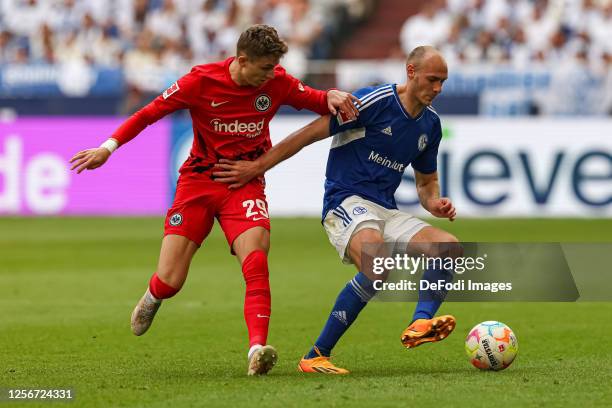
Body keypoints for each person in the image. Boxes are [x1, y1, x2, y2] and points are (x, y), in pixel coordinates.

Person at [69, 24, 359, 376]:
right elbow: (148, 114)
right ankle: (154, 295)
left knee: (256, 259)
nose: (272, 75)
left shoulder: (276, 82)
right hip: (198, 182)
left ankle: (257, 349)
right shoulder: (200, 82)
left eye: (274, 68)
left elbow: (315, 99)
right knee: (171, 279)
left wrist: (332, 95)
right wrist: (107, 147)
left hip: (244, 184)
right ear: (242, 60)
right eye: (265, 68)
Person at [213, 46, 460, 374]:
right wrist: (255, 167)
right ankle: (316, 355)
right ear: (411, 72)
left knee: (449, 248)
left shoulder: (430, 125)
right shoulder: (374, 102)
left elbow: (427, 183)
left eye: (443, 81)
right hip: (346, 200)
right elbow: (309, 134)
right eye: (432, 79)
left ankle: (420, 323)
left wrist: (435, 203)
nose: (438, 88)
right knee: (378, 263)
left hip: (386, 209)